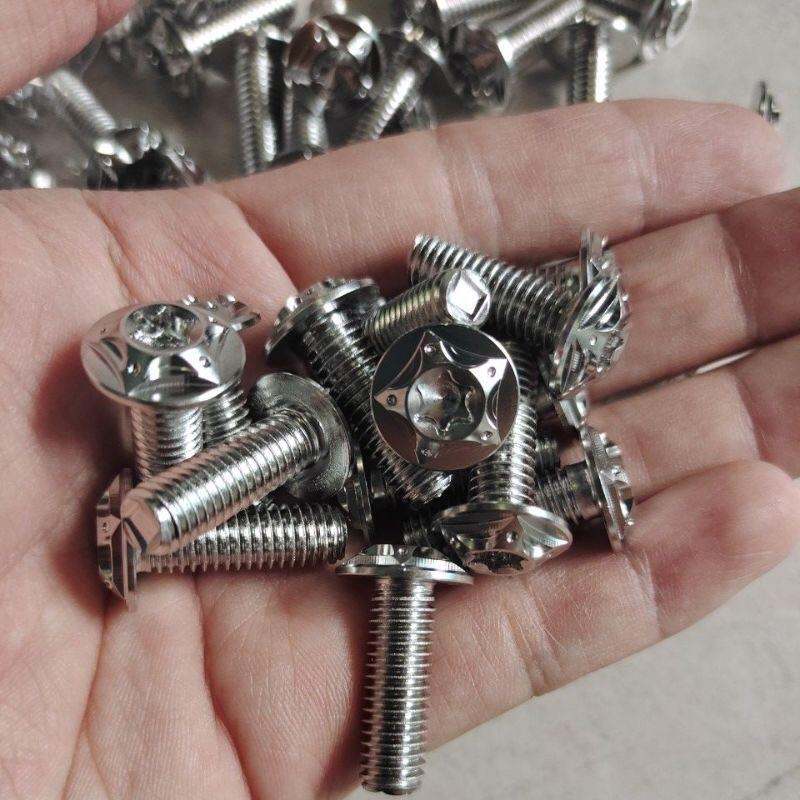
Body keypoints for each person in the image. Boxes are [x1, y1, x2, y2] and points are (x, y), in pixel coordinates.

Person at [1, 3, 798, 798]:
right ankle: (174, 523)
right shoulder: (327, 439)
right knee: (223, 504)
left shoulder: (459, 432)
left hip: (378, 450)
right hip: (310, 455)